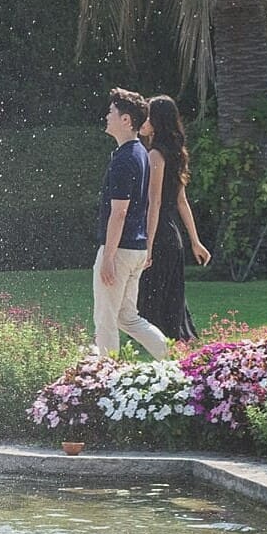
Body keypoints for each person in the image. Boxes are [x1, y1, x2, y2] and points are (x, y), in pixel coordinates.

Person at [94, 88, 172, 360]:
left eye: (112, 113)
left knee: (105, 318)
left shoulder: (125, 158)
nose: (106, 117)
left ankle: (105, 379)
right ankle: (172, 357)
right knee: (127, 317)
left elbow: (119, 213)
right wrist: (146, 248)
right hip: (135, 249)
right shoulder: (140, 153)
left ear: (126, 120)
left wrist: (108, 257)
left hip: (121, 250)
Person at [134, 93, 211, 343]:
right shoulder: (175, 153)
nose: (142, 122)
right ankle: (178, 351)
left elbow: (153, 203)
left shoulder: (155, 155)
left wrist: (147, 245)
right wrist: (195, 242)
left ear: (156, 120)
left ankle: (166, 353)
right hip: (172, 235)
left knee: (152, 300)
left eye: (146, 117)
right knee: (172, 297)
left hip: (160, 234)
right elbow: (181, 201)